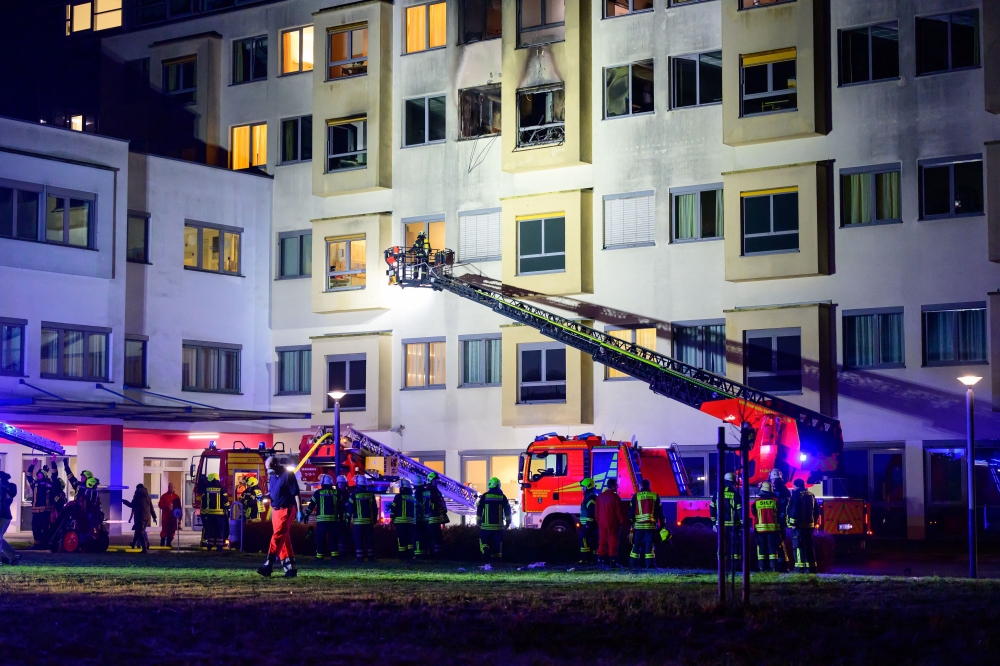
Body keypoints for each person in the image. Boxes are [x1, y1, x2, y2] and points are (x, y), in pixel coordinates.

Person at [258, 457, 301, 577]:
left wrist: (299, 510)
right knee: (284, 539)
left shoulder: (288, 475)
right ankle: (290, 569)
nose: (268, 471)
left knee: (277, 536)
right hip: (276, 510)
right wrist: (264, 496)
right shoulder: (273, 477)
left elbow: (296, 493)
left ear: (276, 464)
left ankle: (268, 564)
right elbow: (272, 493)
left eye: (270, 468)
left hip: (286, 509)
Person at [302, 474, 340, 559]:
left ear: (322, 483)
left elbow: (311, 505)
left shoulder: (318, 493)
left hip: (321, 522)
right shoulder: (336, 493)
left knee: (320, 539)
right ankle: (335, 556)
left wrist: (306, 515)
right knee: (333, 539)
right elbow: (340, 506)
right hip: (333, 521)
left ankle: (319, 556)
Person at [710, 472, 743, 572]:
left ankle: (721, 567)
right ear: (734, 481)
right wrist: (742, 523)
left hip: (720, 525)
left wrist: (714, 522)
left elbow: (712, 508)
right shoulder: (735, 494)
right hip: (733, 526)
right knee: (734, 546)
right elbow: (739, 511)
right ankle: (734, 567)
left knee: (722, 546)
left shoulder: (717, 493)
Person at [630, 479, 664, 569]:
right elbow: (660, 512)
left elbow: (631, 512)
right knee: (649, 546)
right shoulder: (655, 496)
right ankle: (650, 565)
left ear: (641, 486)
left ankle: (633, 565)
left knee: (636, 545)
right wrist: (663, 525)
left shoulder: (636, 496)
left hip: (638, 526)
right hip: (651, 527)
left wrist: (632, 522)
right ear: (649, 486)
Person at [787, 478, 819, 574]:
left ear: (796, 486)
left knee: (798, 546)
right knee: (809, 546)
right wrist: (814, 522)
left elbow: (794, 510)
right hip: (810, 526)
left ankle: (799, 569)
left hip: (799, 527)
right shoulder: (811, 495)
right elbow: (816, 511)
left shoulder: (796, 495)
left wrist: (793, 523)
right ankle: (812, 568)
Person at [476, 477, 512, 562]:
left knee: (483, 542)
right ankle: (496, 562)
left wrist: (478, 521)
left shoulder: (485, 496)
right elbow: (507, 510)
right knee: (497, 545)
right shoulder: (502, 497)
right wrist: (508, 522)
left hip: (486, 527)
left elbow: (479, 508)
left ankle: (485, 551)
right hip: (498, 527)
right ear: (499, 486)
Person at [751, 481, 783, 572]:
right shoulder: (775, 502)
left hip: (760, 531)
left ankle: (761, 568)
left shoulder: (757, 502)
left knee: (761, 549)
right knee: (772, 549)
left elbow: (754, 513)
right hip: (773, 530)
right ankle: (773, 568)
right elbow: (780, 513)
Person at [596, 477, 625, 568]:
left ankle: (600, 561)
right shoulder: (615, 497)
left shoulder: (600, 496)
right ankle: (613, 563)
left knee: (602, 542)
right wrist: (621, 521)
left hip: (602, 523)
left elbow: (596, 511)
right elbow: (618, 511)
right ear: (612, 486)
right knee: (613, 543)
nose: (617, 487)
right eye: (616, 486)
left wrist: (598, 521)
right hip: (613, 523)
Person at [349, 476, 378, 563]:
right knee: (369, 540)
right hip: (369, 522)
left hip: (358, 523)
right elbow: (375, 508)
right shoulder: (371, 495)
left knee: (359, 540)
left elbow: (350, 509)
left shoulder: (354, 495)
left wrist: (347, 519)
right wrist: (375, 519)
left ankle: (360, 558)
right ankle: (370, 557)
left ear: (357, 484)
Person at [122, 484, 157, 553]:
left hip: (139, 517)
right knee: (139, 531)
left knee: (140, 533)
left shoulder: (137, 496)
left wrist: (124, 501)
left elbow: (132, 505)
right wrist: (154, 517)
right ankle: (134, 544)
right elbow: (151, 508)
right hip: (147, 517)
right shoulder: (148, 497)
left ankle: (144, 549)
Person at [199, 473, 230, 552]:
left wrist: (203, 513)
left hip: (209, 514)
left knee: (211, 530)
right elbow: (225, 501)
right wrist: (228, 510)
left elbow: (204, 502)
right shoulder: (221, 488)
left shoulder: (206, 488)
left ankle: (209, 546)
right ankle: (219, 547)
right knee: (220, 530)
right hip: (220, 514)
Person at [421, 471, 449, 558]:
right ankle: (437, 555)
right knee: (436, 538)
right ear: (430, 480)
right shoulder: (432, 491)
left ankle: (435, 554)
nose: (436, 482)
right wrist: (442, 510)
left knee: (435, 537)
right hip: (433, 518)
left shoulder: (430, 490)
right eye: (435, 481)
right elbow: (436, 504)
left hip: (431, 519)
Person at [26, 461, 53, 547]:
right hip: (36, 512)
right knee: (35, 528)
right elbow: (29, 476)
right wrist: (32, 465)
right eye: (38, 475)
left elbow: (54, 479)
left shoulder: (49, 484)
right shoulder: (35, 484)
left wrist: (52, 463)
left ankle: (45, 544)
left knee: (45, 528)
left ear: (44, 476)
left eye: (40, 475)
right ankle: (37, 544)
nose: (38, 476)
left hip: (46, 512)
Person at [390, 479, 417, 560]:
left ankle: (402, 557)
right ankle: (410, 556)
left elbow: (394, 508)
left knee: (401, 539)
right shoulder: (412, 498)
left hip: (400, 522)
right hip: (411, 523)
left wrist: (391, 519)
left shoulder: (398, 497)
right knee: (410, 540)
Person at [770, 469, 792, 570]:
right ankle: (782, 565)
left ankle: (783, 565)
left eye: (774, 480)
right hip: (777, 519)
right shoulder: (783, 490)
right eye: (772, 480)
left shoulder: (782, 491)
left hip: (779, 520)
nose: (773, 482)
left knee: (779, 542)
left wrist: (781, 519)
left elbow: (784, 507)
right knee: (778, 542)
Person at [0, 470, 21, 566]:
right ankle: (13, 555)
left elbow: (8, 499)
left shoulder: (7, 487)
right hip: (4, 516)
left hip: (3, 516)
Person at [578, 478, 598, 565]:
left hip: (589, 524)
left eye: (583, 487)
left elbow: (591, 510)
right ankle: (593, 559)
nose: (582, 489)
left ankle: (585, 559)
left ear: (588, 487)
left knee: (583, 538)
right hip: (589, 524)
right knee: (592, 541)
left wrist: (588, 523)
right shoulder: (589, 496)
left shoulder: (591, 497)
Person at [158, 482, 182, 547]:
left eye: (171, 486)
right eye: (169, 486)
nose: (170, 488)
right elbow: (160, 505)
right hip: (165, 517)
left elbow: (179, 507)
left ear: (174, 488)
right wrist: (167, 506)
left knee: (172, 531)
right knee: (164, 530)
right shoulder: (164, 496)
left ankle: (169, 543)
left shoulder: (176, 497)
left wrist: (179, 518)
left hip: (173, 518)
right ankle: (162, 544)